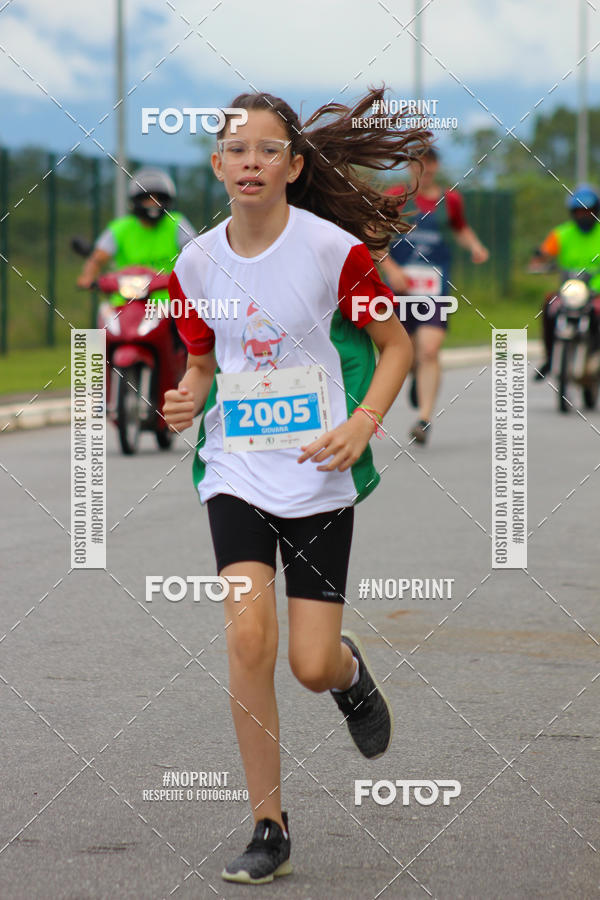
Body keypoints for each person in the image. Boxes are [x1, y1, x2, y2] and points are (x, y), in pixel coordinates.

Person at [162, 88, 430, 884]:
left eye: (268, 149)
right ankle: (268, 825)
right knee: (248, 637)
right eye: (237, 149)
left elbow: (395, 347)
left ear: (293, 164)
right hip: (237, 469)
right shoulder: (194, 262)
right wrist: (186, 394)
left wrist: (363, 423)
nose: (251, 160)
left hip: (318, 473)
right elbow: (205, 363)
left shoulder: (331, 253)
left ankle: (347, 674)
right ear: (218, 166)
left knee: (308, 665)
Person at [378, 147, 489, 444]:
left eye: (428, 163)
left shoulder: (449, 200)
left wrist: (475, 246)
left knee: (429, 349)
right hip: (400, 289)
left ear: (436, 166)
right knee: (406, 351)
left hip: (433, 290)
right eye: (417, 164)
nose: (423, 169)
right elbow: (372, 236)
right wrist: (390, 268)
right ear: (409, 167)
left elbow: (460, 229)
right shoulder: (395, 198)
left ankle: (424, 419)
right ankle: (415, 372)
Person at [76, 167, 196, 300]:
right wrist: (88, 277)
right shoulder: (120, 228)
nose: (153, 204)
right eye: (147, 198)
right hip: (124, 304)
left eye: (158, 198)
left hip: (167, 306)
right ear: (135, 200)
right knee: (106, 316)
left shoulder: (176, 223)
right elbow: (97, 259)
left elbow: (196, 255)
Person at [529, 184, 600, 379]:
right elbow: (544, 255)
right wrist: (538, 262)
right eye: (579, 211)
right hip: (570, 291)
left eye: (588, 211)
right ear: (572, 213)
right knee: (549, 306)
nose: (584, 215)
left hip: (596, 292)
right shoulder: (562, 234)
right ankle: (550, 358)